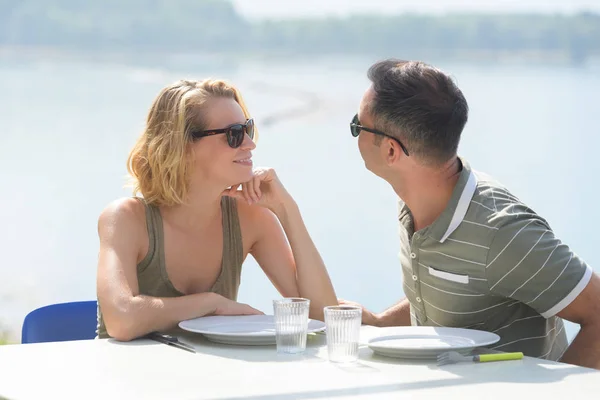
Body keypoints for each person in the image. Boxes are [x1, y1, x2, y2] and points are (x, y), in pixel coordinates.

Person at [341, 59, 600, 369]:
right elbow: (456, 294)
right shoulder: (415, 201)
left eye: (357, 125)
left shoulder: (503, 231)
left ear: (391, 151)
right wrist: (381, 323)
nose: (354, 132)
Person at [96, 79, 337, 341]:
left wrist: (287, 210)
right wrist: (210, 303)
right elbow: (121, 319)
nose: (249, 144)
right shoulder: (127, 219)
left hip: (212, 378)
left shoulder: (250, 218)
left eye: (248, 129)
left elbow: (321, 317)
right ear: (183, 145)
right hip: (128, 377)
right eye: (234, 133)